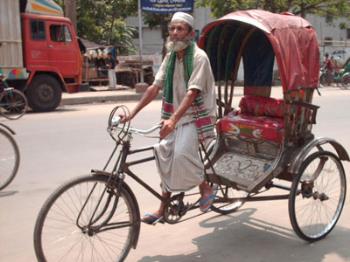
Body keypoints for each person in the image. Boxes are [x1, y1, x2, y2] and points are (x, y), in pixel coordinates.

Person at [120, 11, 217, 224]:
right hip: (176, 115)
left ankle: (206, 187)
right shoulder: (171, 57)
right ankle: (162, 208)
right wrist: (132, 113)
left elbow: (193, 93)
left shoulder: (199, 57)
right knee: (164, 155)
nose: (174, 33)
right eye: (172, 29)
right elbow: (155, 87)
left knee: (181, 155)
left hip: (197, 115)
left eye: (180, 29)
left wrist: (173, 120)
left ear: (191, 34)